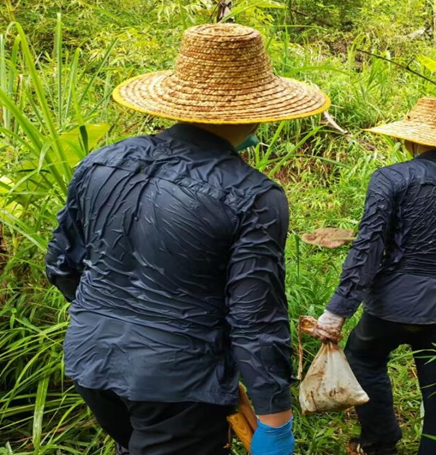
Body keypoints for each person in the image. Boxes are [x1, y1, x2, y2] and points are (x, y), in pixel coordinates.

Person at [45, 23, 330, 455]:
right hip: (179, 381)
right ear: (258, 110)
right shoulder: (253, 195)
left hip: (91, 357)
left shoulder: (101, 162)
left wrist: (110, 319)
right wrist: (275, 419)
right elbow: (255, 317)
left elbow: (62, 264)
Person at [312, 98, 436, 455]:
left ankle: (380, 439)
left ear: (412, 140)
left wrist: (336, 312)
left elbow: (368, 249)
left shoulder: (393, 178)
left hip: (392, 306)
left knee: (363, 357)